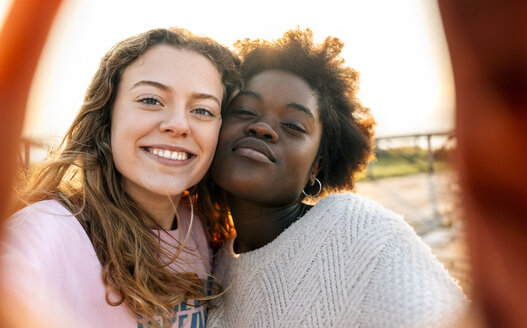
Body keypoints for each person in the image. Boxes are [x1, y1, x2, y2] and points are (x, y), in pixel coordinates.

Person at [205, 28, 466, 328]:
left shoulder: (355, 229)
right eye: (245, 110)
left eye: (292, 125)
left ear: (316, 167)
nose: (263, 127)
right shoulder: (212, 265)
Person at [0, 27, 240, 327]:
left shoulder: (202, 228)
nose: (179, 124)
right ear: (107, 116)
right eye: (151, 100)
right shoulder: (46, 231)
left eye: (202, 110)